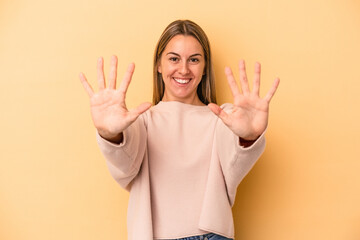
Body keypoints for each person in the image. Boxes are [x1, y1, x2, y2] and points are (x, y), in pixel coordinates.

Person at [79, 20, 279, 240]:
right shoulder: (140, 122)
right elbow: (124, 166)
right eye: (174, 58)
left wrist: (248, 137)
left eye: (194, 60)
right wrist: (110, 134)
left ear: (204, 68)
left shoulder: (222, 119)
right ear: (159, 65)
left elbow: (235, 163)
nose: (183, 69)